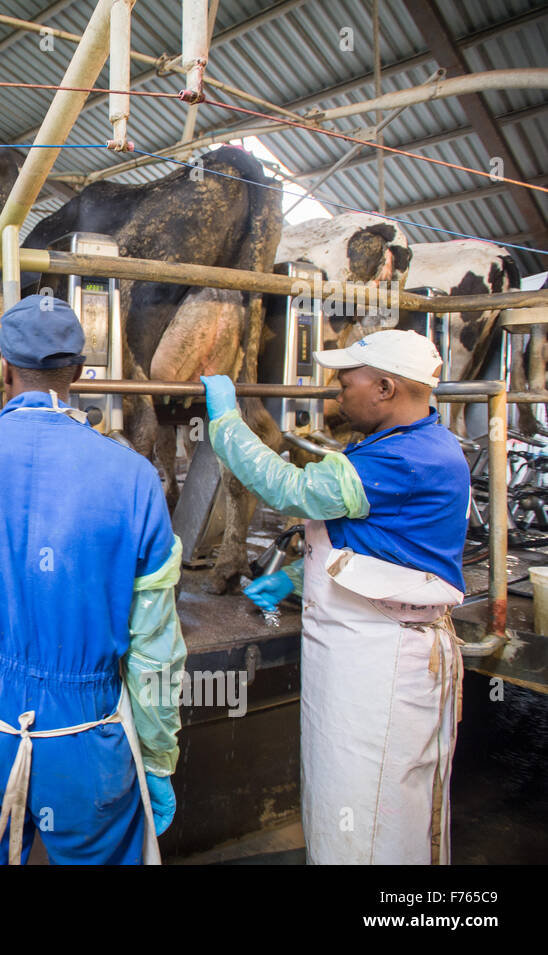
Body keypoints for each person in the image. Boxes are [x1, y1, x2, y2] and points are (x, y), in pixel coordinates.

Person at [0, 293, 186, 865]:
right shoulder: (136, 480)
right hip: (89, 740)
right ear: (77, 371)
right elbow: (156, 656)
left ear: (1, 364)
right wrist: (159, 759)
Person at [201, 328, 470, 865]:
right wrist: (298, 580)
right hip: (363, 651)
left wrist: (227, 422)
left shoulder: (409, 459)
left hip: (384, 665)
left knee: (373, 818)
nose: (334, 394)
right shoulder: (396, 444)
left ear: (386, 388)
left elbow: (291, 488)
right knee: (348, 801)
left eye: (346, 383)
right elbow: (384, 547)